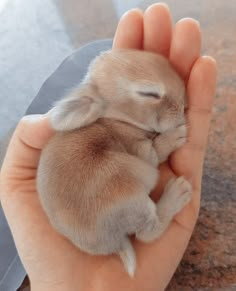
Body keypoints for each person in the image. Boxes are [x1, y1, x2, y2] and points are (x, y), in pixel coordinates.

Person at [0, 3, 217, 291]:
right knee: (123, 180)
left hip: (96, 214)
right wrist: (160, 145)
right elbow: (141, 158)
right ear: (91, 104)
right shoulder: (97, 119)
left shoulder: (113, 125)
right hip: (97, 221)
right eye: (152, 94)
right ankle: (153, 224)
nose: (180, 108)